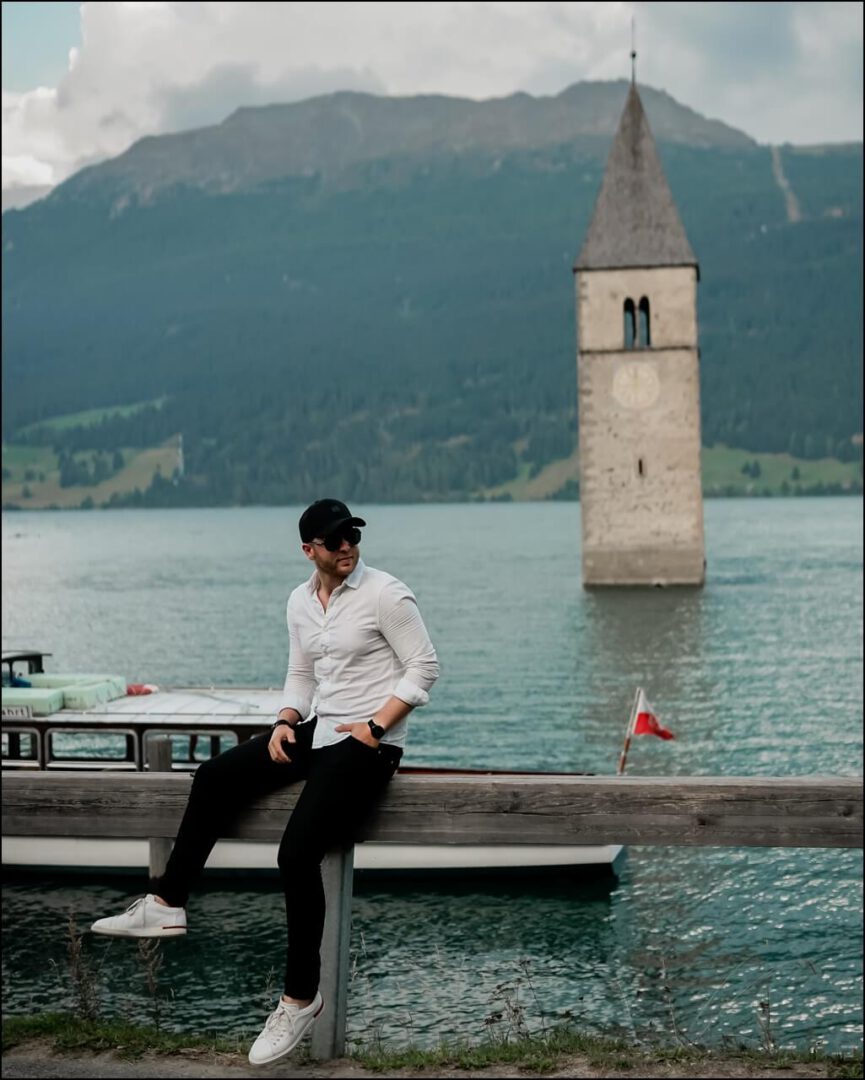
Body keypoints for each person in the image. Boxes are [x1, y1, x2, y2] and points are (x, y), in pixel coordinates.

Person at [90, 499, 439, 1066]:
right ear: (310, 551)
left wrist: (376, 728)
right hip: (318, 729)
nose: (347, 545)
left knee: (295, 853)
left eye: (352, 535)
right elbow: (302, 673)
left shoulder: (387, 593)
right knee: (213, 776)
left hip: (369, 747)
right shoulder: (300, 602)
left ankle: (300, 998)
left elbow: (424, 666)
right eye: (335, 540)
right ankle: (168, 901)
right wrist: (284, 720)